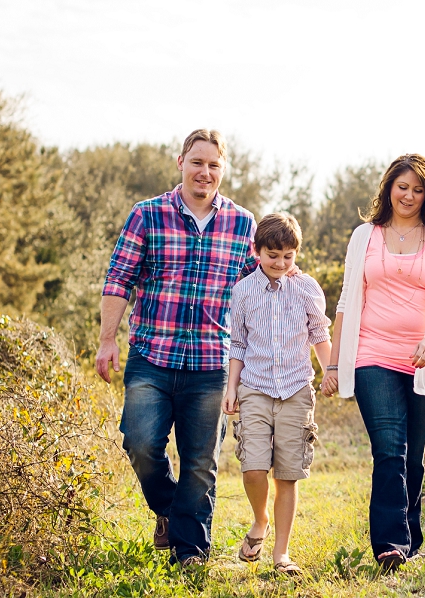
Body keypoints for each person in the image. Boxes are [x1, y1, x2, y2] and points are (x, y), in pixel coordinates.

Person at [96, 129, 262, 567]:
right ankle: (171, 512)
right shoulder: (147, 215)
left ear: (222, 170)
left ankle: (190, 552)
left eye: (213, 165)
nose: (204, 172)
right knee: (140, 443)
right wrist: (107, 339)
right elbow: (119, 280)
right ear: (180, 163)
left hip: (211, 363)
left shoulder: (243, 224)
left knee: (201, 463)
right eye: (197, 162)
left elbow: (257, 292)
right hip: (152, 357)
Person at [321, 153, 425, 572]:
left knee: (412, 455)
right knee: (388, 449)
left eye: (419, 189)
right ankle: (390, 544)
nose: (409, 195)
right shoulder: (365, 235)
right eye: (403, 187)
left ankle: (410, 536)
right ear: (389, 188)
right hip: (372, 353)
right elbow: (348, 298)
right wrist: (333, 363)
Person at [221, 213, 331, 576]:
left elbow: (319, 333)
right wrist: (231, 387)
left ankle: (281, 554)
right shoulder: (243, 291)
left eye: (288, 256)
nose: (281, 263)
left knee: (287, 474)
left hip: (296, 388)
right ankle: (260, 520)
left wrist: (330, 370)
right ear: (257, 251)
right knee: (253, 467)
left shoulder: (306, 288)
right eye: (273, 255)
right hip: (254, 386)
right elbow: (238, 343)